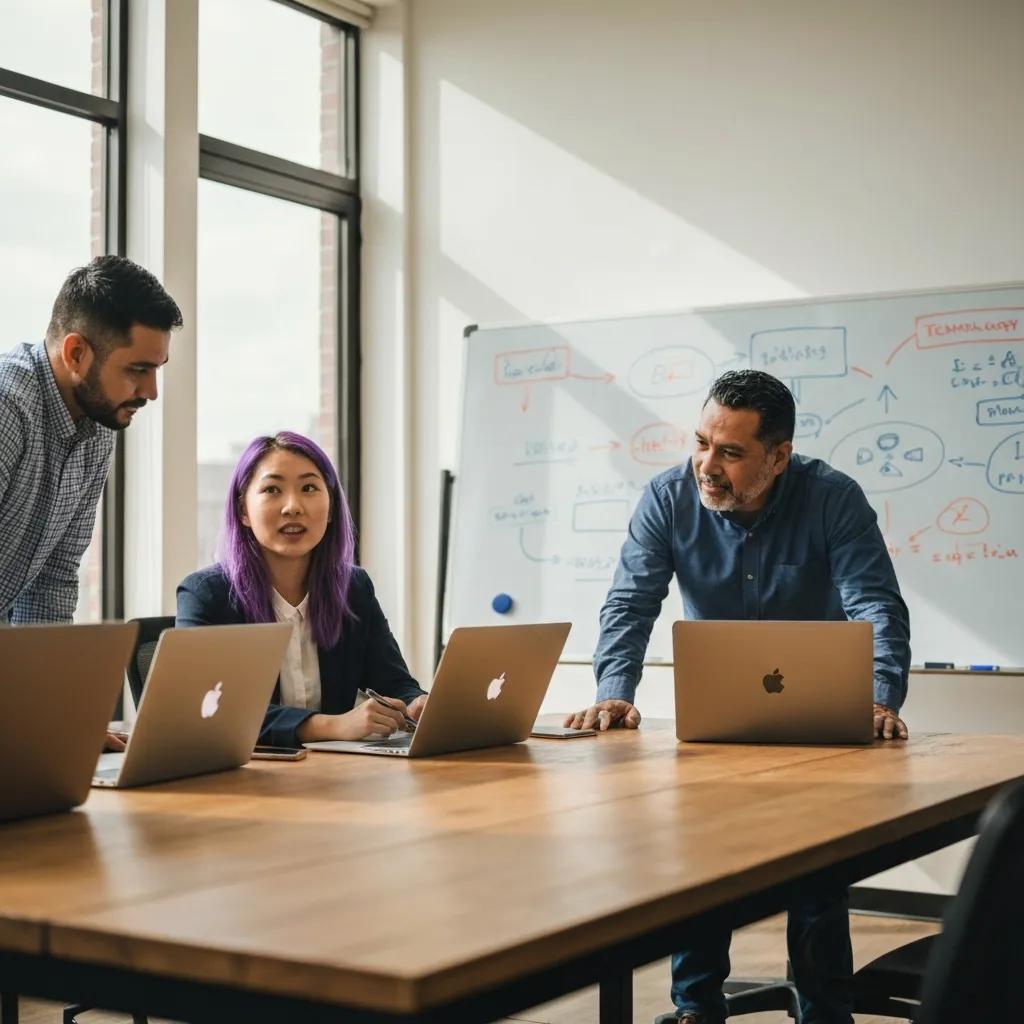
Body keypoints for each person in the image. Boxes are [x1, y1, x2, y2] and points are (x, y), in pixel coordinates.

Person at [564, 369, 911, 1024]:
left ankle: (824, 1012)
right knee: (703, 866)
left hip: (819, 728)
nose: (707, 465)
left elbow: (877, 604)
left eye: (730, 452)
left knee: (817, 874)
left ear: (778, 457)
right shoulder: (668, 497)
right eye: (701, 443)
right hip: (715, 727)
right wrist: (615, 692)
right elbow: (630, 603)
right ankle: (695, 1010)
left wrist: (877, 696)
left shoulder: (833, 498)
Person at [0, 255, 181, 751]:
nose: (151, 391)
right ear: (76, 352)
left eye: (157, 370)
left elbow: (51, 585)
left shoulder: (98, 430)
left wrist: (54, 720)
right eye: (138, 370)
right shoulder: (6, 406)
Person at [177, 432, 427, 748]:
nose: (293, 507)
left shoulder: (353, 588)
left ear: (332, 507)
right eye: (272, 490)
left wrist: (417, 703)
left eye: (309, 488)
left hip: (333, 777)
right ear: (243, 511)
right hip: (245, 779)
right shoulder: (206, 595)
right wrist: (330, 726)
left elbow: (394, 682)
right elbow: (211, 710)